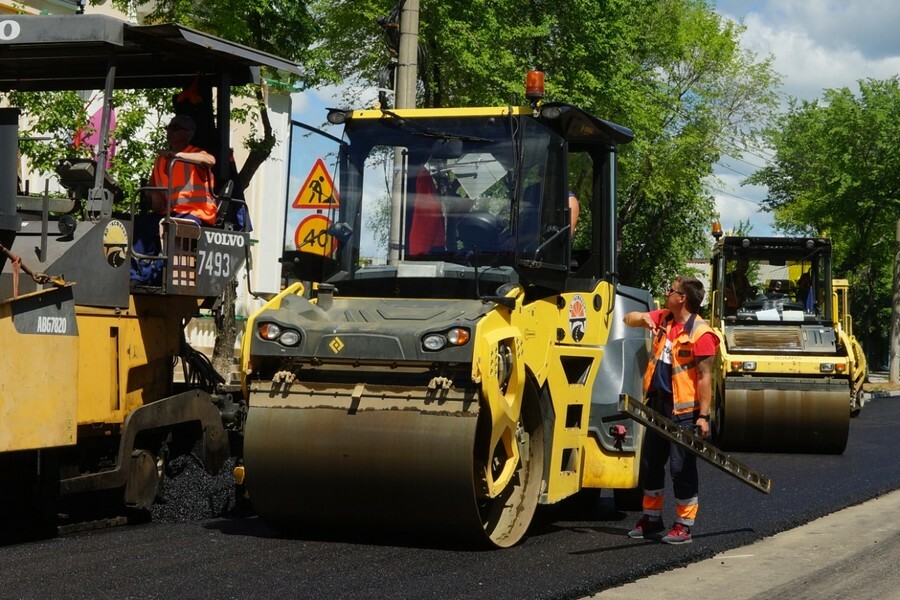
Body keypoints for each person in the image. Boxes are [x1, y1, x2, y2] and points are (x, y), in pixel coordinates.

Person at [623, 276, 720, 545]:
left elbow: (704, 377)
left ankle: (684, 525)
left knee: (681, 468)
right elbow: (628, 318)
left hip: (685, 411)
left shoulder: (701, 334)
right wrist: (644, 320)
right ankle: (651, 519)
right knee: (651, 463)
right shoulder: (664, 318)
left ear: (683, 299)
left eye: (672, 290)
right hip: (658, 404)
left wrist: (703, 416)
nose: (667, 293)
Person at [147, 114, 217, 225]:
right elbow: (151, 184)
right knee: (139, 226)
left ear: (189, 133)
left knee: (169, 228)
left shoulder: (195, 154)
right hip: (169, 213)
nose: (170, 131)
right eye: (168, 127)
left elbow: (210, 160)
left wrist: (177, 155)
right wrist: (155, 194)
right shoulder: (160, 160)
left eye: (175, 128)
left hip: (195, 213)